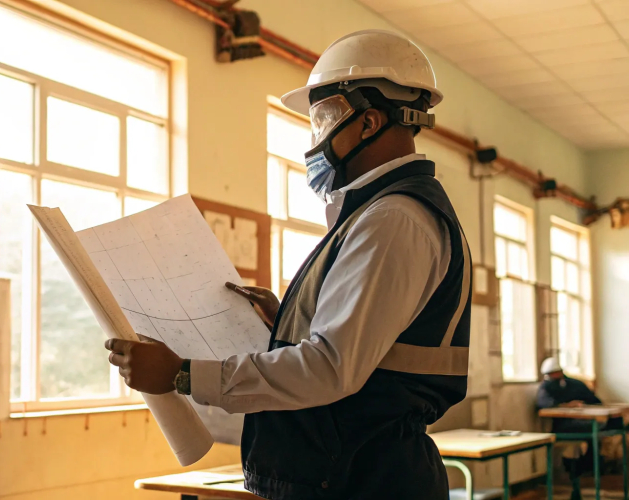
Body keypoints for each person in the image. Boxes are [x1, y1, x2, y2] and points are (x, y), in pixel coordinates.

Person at [105, 30, 472, 499]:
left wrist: (181, 374)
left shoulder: (391, 220)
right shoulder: (377, 215)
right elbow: (369, 348)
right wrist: (287, 322)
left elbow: (330, 369)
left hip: (361, 481)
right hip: (351, 474)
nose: (316, 139)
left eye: (324, 117)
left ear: (370, 122)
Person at [537, 357, 621, 499]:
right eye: (550, 375)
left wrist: (583, 406)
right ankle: (580, 469)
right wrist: (567, 405)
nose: (553, 377)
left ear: (560, 372)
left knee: (612, 423)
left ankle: (585, 467)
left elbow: (595, 401)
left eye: (555, 373)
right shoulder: (546, 387)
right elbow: (544, 404)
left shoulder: (575, 384)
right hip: (564, 426)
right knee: (595, 430)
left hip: (585, 423)